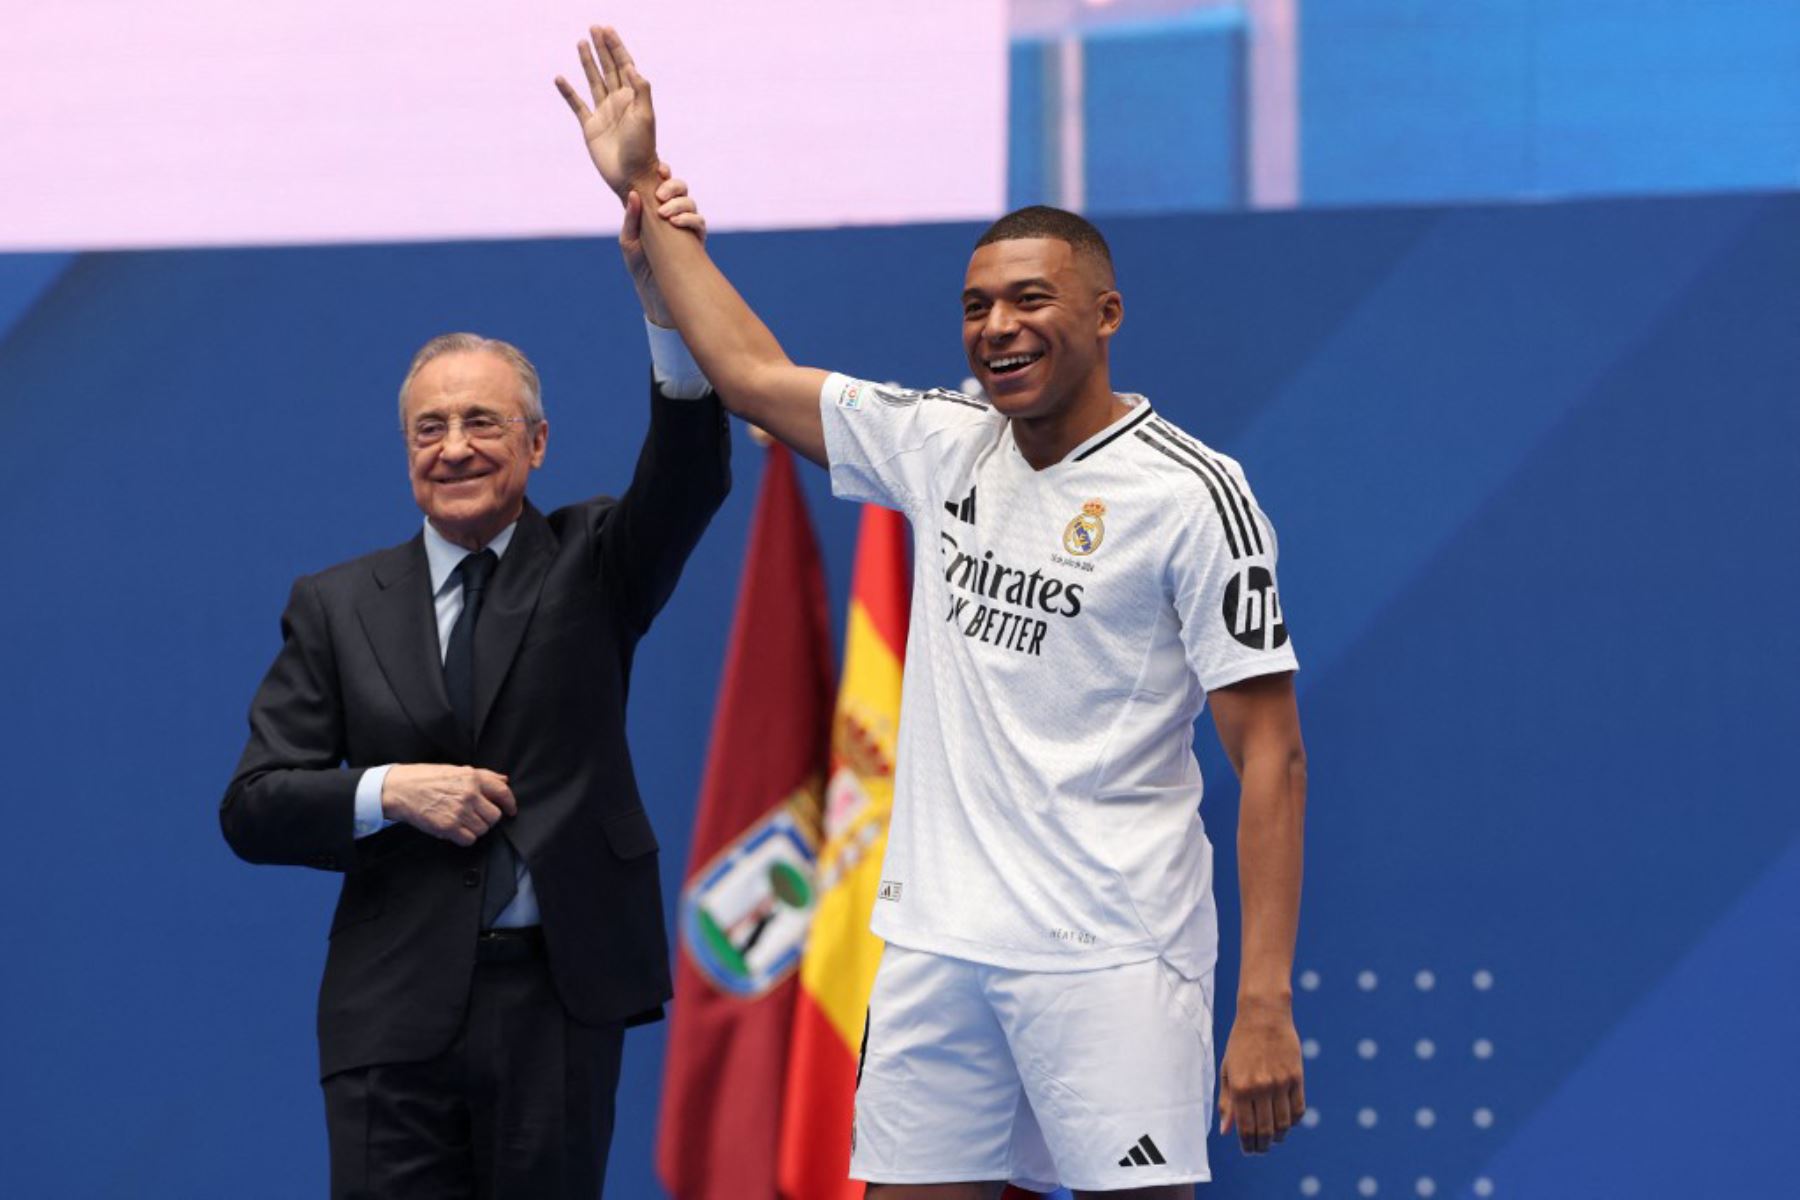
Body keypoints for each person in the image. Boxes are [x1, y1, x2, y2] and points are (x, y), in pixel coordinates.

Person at [555, 27, 1309, 1200]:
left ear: (1106, 313)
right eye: (974, 307)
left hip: (1111, 953)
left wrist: (1262, 1002)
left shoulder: (1191, 494)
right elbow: (754, 375)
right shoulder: (942, 443)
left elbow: (1272, 756)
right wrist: (646, 193)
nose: (996, 327)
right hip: (935, 947)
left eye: (1028, 300)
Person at [220, 170, 725, 1198]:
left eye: (483, 424)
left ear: (536, 444)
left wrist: (665, 303)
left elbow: (688, 469)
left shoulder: (594, 560)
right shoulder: (334, 603)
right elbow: (255, 805)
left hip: (558, 1000)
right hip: (389, 1014)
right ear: (405, 451)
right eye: (429, 429)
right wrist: (387, 790)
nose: (455, 447)